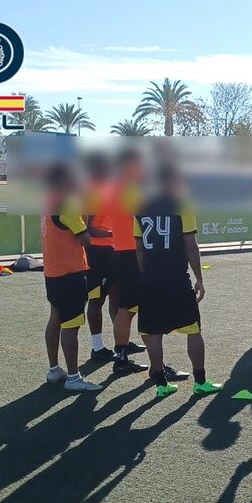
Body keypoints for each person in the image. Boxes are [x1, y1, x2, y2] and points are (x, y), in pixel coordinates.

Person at [134, 162, 223, 398]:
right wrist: (199, 279)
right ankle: (200, 381)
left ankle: (161, 384)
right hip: (176, 278)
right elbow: (191, 246)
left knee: (153, 331)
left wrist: (145, 275)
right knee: (193, 329)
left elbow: (139, 249)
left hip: (151, 280)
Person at [41, 164, 102, 393]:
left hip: (53, 272)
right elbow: (84, 237)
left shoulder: (48, 201)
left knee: (55, 318)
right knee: (71, 325)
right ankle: (74, 377)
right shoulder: (67, 204)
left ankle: (55, 369)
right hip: (70, 273)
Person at [107, 149, 149, 374]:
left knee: (126, 306)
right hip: (132, 252)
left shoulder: (115, 186)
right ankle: (121, 358)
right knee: (127, 307)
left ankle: (122, 352)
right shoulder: (129, 188)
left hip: (122, 251)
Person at [82, 152, 118, 362]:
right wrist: (114, 234)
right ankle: (97, 347)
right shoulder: (90, 192)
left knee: (117, 297)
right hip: (96, 253)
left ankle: (121, 342)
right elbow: (88, 228)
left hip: (112, 251)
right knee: (96, 300)